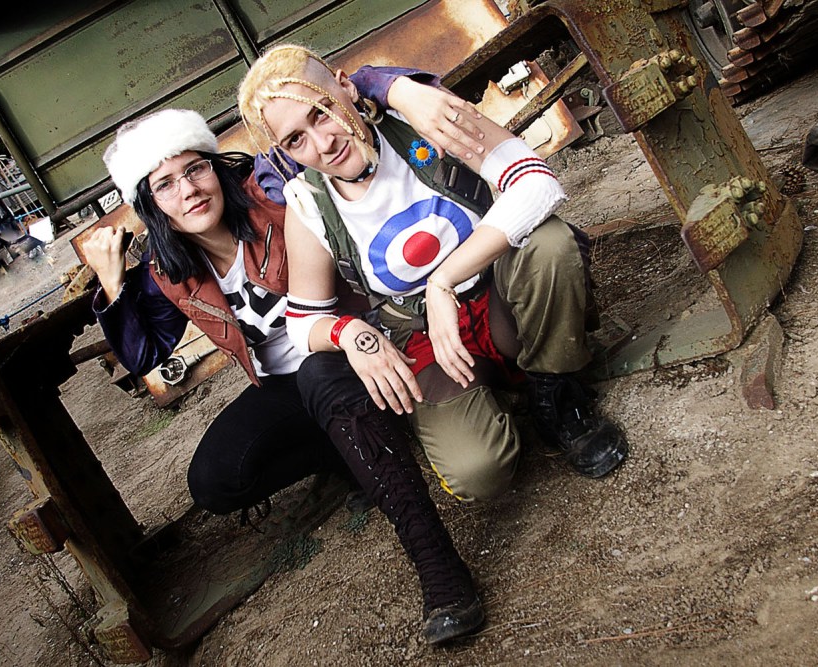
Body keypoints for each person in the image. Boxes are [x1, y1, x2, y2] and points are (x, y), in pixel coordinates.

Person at [82, 72, 486, 644]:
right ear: (151, 205)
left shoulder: (272, 190)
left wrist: (395, 89)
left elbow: (325, 104)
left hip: (355, 342)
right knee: (215, 481)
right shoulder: (168, 271)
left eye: (194, 169)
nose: (189, 191)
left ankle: (439, 569)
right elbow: (146, 352)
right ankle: (349, 448)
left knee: (321, 373)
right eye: (165, 185)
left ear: (215, 166)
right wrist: (113, 283)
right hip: (285, 383)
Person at [236, 44, 629, 504]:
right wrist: (349, 334)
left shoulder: (422, 119)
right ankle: (494, 395)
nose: (323, 144)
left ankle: (556, 392)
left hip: (499, 291)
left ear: (346, 86)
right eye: (295, 140)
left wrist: (444, 280)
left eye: (322, 112)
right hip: (425, 338)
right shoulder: (308, 203)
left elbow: (537, 182)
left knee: (548, 244)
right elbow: (303, 321)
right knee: (478, 475)